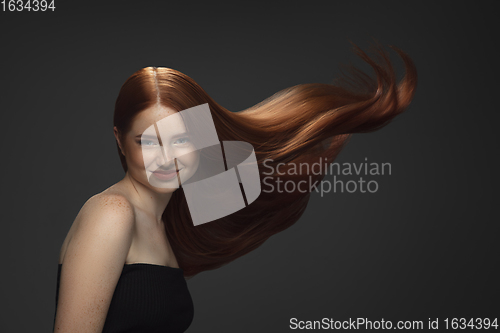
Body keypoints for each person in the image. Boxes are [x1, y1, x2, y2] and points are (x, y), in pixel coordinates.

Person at [53, 43, 417, 332]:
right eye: (148, 141)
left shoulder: (165, 224)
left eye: (181, 140)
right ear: (120, 141)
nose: (167, 158)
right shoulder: (113, 213)